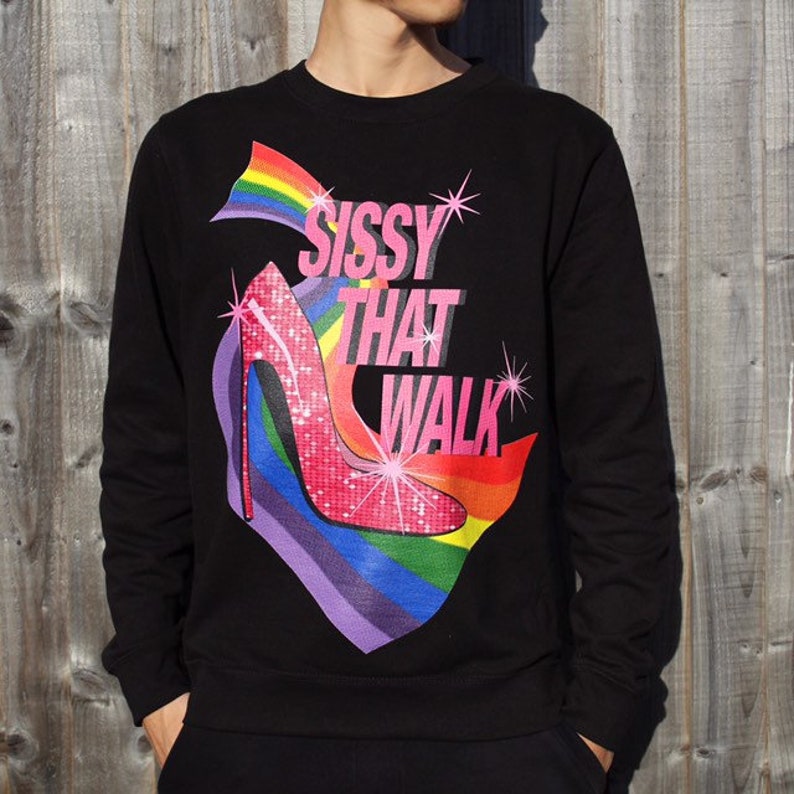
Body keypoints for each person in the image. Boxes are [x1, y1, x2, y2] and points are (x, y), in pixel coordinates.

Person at [99, 0, 676, 791]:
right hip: (245, 738)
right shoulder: (196, 153)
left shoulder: (554, 151)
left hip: (504, 741)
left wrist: (596, 725)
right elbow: (146, 444)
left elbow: (620, 452)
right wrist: (159, 691)